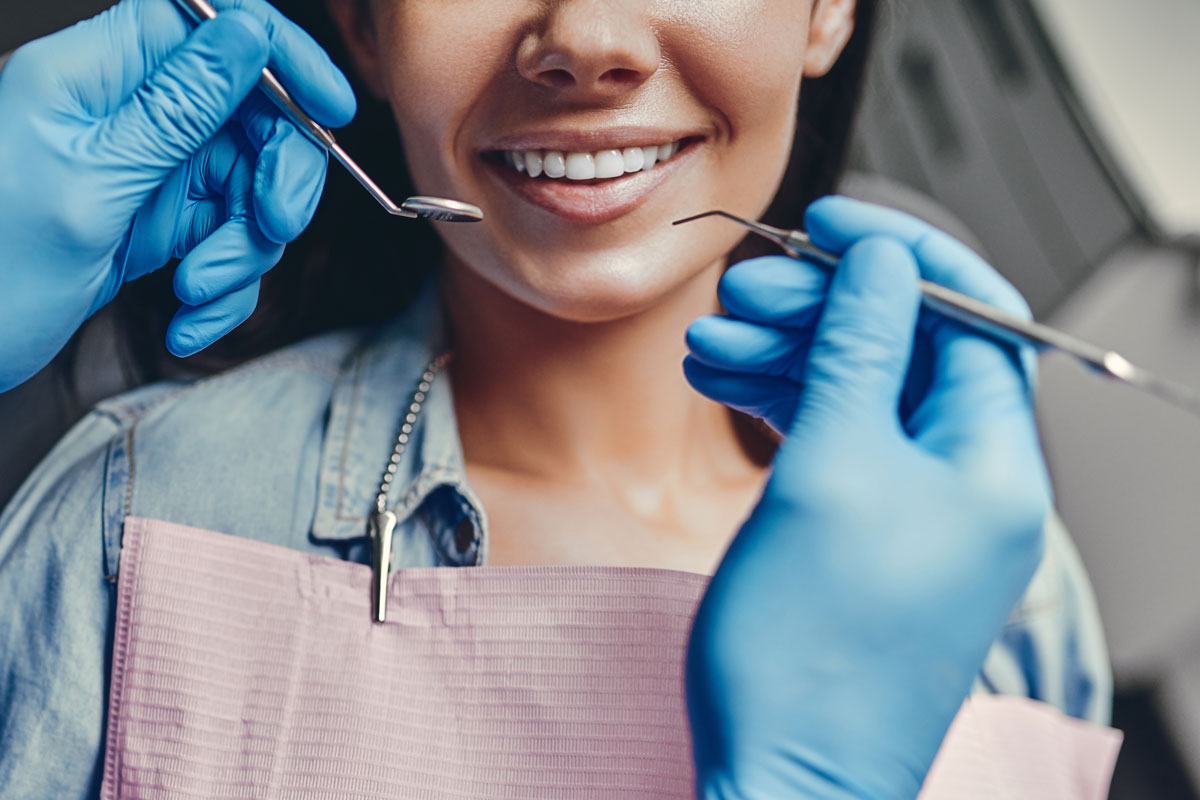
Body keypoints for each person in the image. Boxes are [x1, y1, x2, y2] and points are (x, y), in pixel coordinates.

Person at [0, 0, 1110, 797]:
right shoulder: (134, 513)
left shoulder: (1008, 575)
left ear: (829, 9)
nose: (584, 40)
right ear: (360, 24)